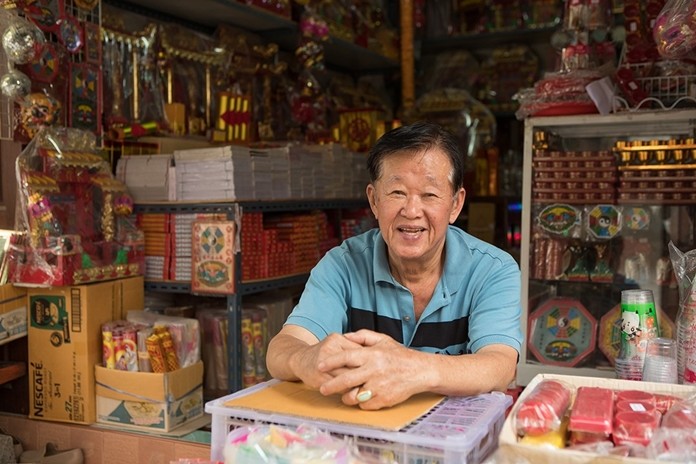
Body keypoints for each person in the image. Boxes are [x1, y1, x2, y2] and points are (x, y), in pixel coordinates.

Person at [266, 121, 522, 410]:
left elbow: (500, 365)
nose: (411, 211)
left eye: (429, 195)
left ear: (455, 205)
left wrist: (413, 369)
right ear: (374, 201)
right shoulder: (342, 264)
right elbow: (281, 349)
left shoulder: (493, 270)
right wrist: (307, 359)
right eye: (397, 193)